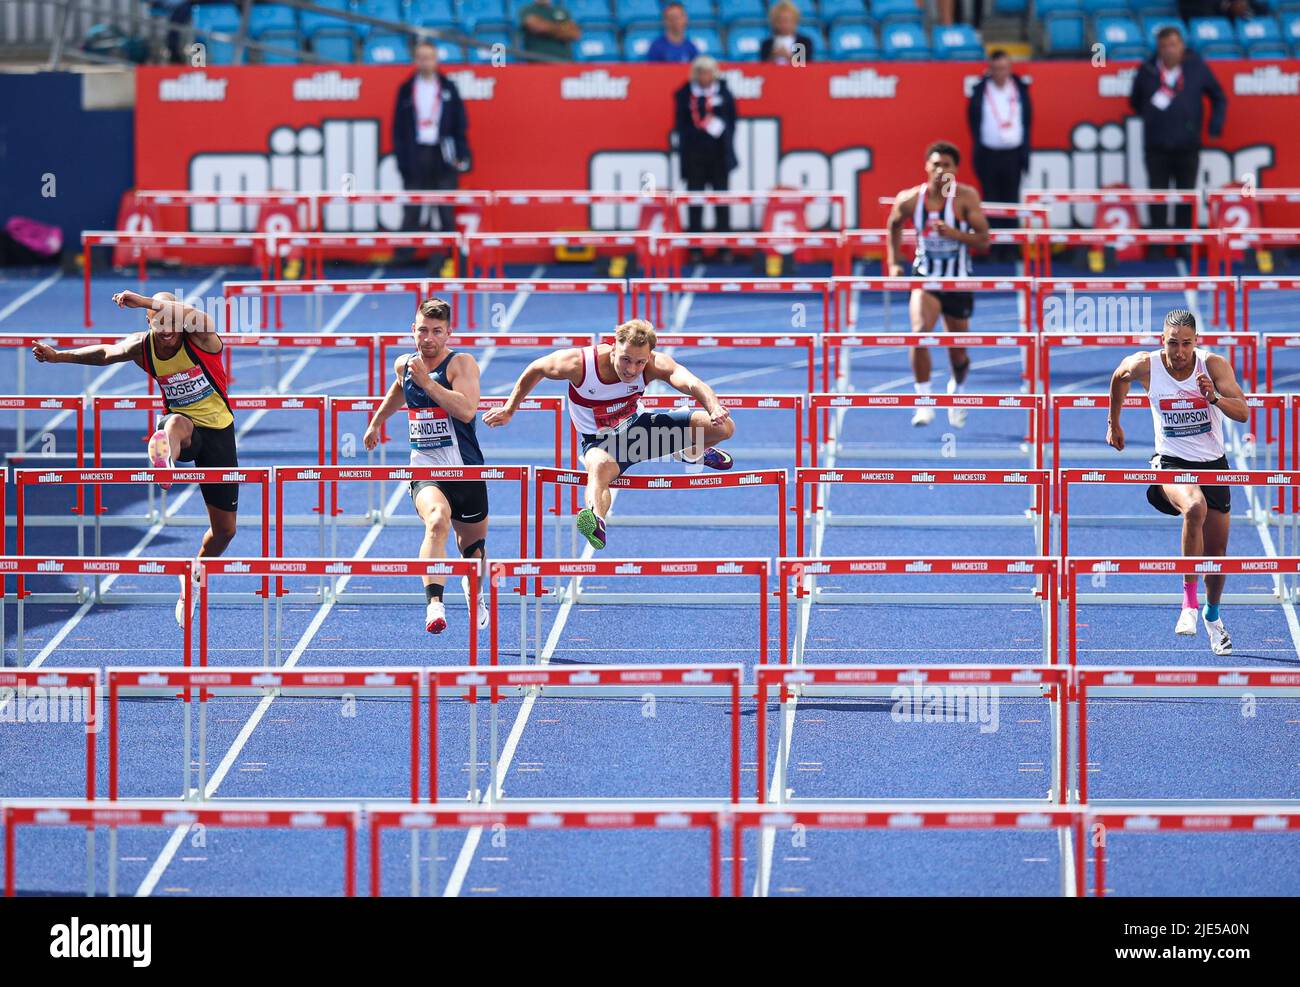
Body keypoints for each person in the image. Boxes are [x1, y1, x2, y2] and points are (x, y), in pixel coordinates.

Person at [31, 289, 238, 627]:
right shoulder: (143, 347)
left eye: (173, 321)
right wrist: (59, 357)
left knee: (225, 531)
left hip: (219, 432)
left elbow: (201, 316)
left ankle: (192, 575)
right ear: (149, 321)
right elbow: (104, 353)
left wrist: (143, 300)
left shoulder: (201, 336)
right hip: (185, 429)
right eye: (160, 322)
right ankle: (164, 461)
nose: (168, 329)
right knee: (174, 423)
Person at [483, 319, 735, 552]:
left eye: (640, 362)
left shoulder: (655, 364)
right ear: (613, 347)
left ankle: (687, 451)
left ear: (648, 356)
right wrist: (509, 409)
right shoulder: (579, 364)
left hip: (640, 431)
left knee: (724, 428)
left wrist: (713, 407)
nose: (632, 369)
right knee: (599, 468)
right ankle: (596, 520)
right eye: (626, 359)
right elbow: (536, 368)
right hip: (600, 443)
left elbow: (693, 383)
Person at [1106, 310, 1248, 655]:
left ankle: (1213, 618)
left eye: (1186, 343)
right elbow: (1118, 378)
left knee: (1217, 554)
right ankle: (1188, 604)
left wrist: (1212, 397)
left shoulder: (1213, 366)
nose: (1180, 350)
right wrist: (1114, 423)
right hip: (1170, 462)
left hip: (1213, 464)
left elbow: (1242, 412)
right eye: (1173, 343)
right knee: (1194, 508)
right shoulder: (1145, 365)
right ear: (1162, 340)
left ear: (1196, 342)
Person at [362, 298, 489, 635]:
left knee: (472, 550)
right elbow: (398, 391)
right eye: (422, 330)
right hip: (426, 470)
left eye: (436, 331)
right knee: (437, 521)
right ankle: (434, 603)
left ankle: (473, 591)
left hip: (466, 469)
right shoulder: (405, 365)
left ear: (448, 333)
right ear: (412, 331)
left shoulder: (461, 364)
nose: (428, 338)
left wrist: (429, 384)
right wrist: (376, 422)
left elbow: (467, 411)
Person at [884, 141, 991, 428]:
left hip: (958, 281)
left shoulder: (966, 198)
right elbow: (894, 223)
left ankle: (957, 389)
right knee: (919, 334)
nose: (941, 171)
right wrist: (894, 262)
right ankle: (923, 402)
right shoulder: (910, 199)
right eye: (936, 165)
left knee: (958, 353)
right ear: (926, 168)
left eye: (947, 165)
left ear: (955, 170)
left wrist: (956, 233)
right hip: (926, 277)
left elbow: (984, 239)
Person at [1129, 27, 1226, 232]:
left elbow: (1219, 97)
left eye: (1173, 45)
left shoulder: (1196, 67)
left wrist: (1214, 126)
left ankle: (1185, 244)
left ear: (1182, 46)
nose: (1169, 50)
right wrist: (1153, 118)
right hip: (1156, 145)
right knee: (1157, 196)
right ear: (1158, 48)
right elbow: (1135, 101)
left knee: (1186, 196)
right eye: (1164, 46)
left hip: (1188, 145)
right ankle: (1157, 244)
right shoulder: (1147, 70)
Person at [392, 40, 470, 273]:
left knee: (445, 208)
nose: (425, 62)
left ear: (436, 59)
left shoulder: (448, 87)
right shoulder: (406, 89)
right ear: (415, 60)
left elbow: (460, 124)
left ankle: (449, 255)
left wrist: (461, 155)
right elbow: (398, 129)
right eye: (421, 57)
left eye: (429, 57)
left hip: (442, 153)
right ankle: (405, 256)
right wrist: (402, 160)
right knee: (413, 207)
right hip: (417, 153)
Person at [966, 50, 1032, 262]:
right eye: (996, 69)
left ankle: (1011, 247)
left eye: (1004, 68)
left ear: (1010, 69)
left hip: (1013, 154)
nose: (1000, 73)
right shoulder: (981, 90)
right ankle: (992, 246)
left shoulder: (1019, 89)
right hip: (988, 154)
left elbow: (1028, 120)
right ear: (989, 69)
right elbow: (972, 118)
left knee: (1011, 201)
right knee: (990, 201)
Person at [673, 56, 738, 263]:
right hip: (694, 158)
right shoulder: (684, 94)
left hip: (719, 157)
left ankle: (724, 248)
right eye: (700, 72)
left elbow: (732, 121)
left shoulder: (724, 93)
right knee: (695, 203)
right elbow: (680, 125)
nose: (704, 76)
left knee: (722, 203)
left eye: (708, 72)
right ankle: (695, 249)